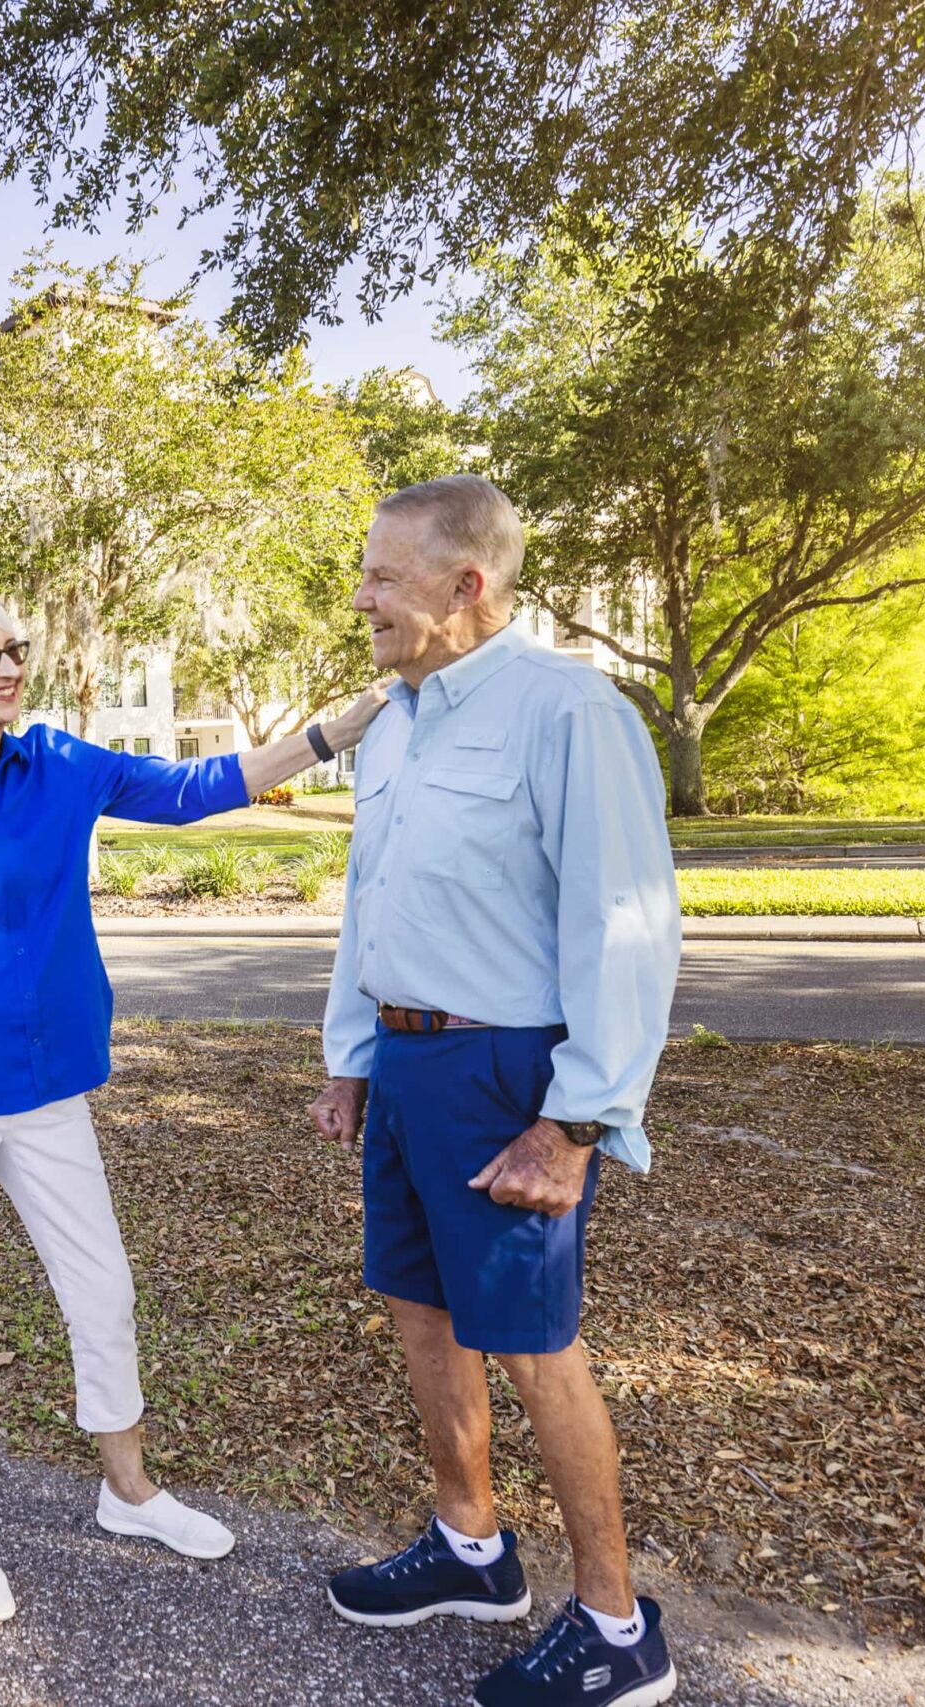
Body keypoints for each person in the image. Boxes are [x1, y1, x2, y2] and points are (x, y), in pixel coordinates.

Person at [0, 586, 387, 1623]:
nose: (10, 666)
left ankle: (127, 1490)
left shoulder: (62, 763)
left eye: (15, 648)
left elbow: (193, 788)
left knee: (103, 1288)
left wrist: (327, 736)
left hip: (49, 1084)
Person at [310, 476, 681, 1707]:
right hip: (406, 1061)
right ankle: (469, 1548)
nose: (360, 597)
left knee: (533, 1347)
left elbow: (625, 926)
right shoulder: (394, 720)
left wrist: (575, 1122)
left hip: (510, 1074)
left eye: (382, 575)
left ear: (466, 585)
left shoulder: (566, 711)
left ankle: (617, 1627)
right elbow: (373, 901)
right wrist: (351, 1059)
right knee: (418, 1312)